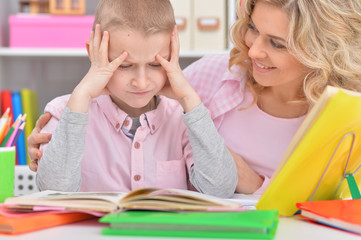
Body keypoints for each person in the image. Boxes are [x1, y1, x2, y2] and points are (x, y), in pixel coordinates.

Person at [28, 0, 361, 194]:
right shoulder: (212, 78)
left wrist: (253, 181)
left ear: (321, 50)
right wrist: (58, 138)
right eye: (253, 29)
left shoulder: (348, 111)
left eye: (277, 43)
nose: (253, 49)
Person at [32, 0, 238, 197]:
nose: (141, 82)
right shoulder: (64, 111)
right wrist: (82, 94)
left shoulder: (183, 118)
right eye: (124, 65)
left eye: (156, 64)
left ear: (173, 52)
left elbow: (221, 189)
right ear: (94, 52)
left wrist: (187, 97)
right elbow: (53, 191)